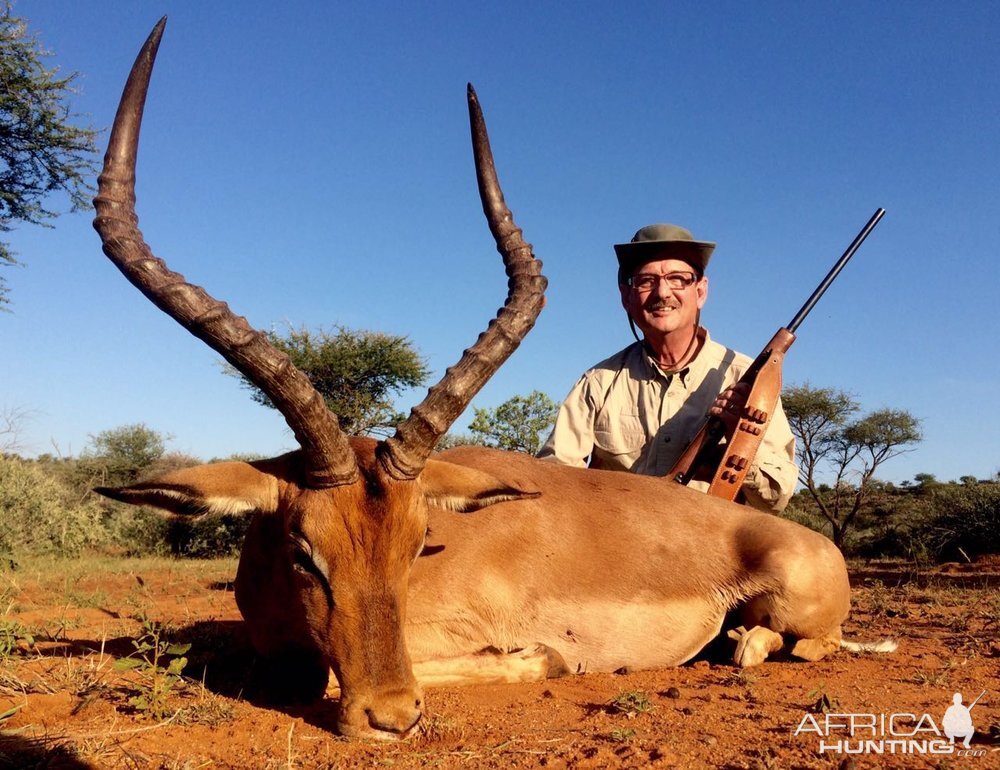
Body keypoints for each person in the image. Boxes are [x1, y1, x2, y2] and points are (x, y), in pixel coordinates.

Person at [537, 223, 797, 512]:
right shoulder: (598, 383)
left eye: (677, 279)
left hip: (709, 547)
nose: (662, 292)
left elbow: (776, 500)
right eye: (646, 280)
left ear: (701, 291)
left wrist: (742, 442)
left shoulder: (747, 378)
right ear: (626, 297)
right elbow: (552, 479)